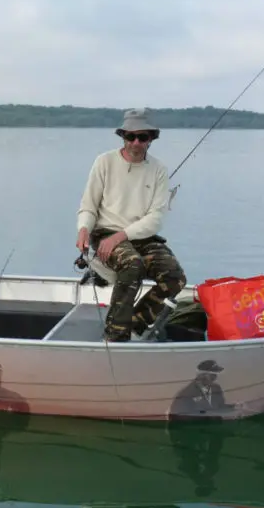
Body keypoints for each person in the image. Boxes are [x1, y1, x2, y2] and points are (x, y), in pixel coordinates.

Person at [75, 108, 187, 342]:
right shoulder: (104, 162)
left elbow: (155, 218)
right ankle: (115, 335)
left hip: (142, 237)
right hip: (106, 232)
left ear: (151, 139)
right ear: (123, 136)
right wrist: (84, 229)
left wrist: (122, 236)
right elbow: (88, 206)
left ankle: (134, 323)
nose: (136, 142)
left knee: (175, 278)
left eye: (142, 137)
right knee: (132, 265)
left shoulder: (159, 170)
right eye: (130, 137)